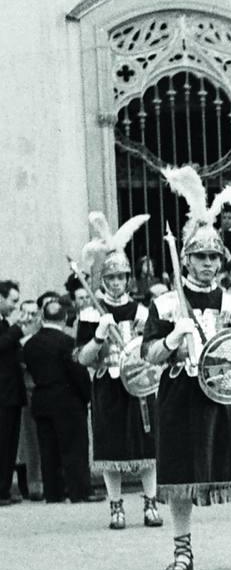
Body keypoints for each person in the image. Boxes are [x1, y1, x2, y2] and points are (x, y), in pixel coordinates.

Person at [144, 166, 231, 570]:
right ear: (185, 258)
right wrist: (172, 340)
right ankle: (183, 551)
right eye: (200, 256)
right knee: (180, 474)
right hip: (180, 397)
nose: (208, 263)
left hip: (225, 395)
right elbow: (149, 354)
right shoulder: (166, 305)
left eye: (214, 257)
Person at [75, 212, 162, 528]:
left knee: (146, 446)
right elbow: (83, 359)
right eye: (110, 278)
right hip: (107, 385)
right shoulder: (89, 313)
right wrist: (98, 336)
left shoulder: (142, 311)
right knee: (110, 448)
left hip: (139, 384)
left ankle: (151, 504)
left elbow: (152, 350)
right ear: (103, 281)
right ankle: (116, 506)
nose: (115, 283)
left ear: (129, 280)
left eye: (121, 278)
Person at [24, 298, 93, 504]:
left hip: (41, 398)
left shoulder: (31, 344)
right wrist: (86, 396)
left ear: (42, 318)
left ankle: (53, 492)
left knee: (48, 448)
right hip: (67, 400)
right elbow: (77, 371)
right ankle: (79, 490)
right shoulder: (67, 342)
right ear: (64, 318)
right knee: (74, 447)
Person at [0, 280, 25, 506]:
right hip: (3, 394)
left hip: (10, 394)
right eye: (13, 301)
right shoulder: (8, 326)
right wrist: (17, 330)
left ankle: (4, 489)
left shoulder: (5, 324)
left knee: (9, 443)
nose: (15, 306)